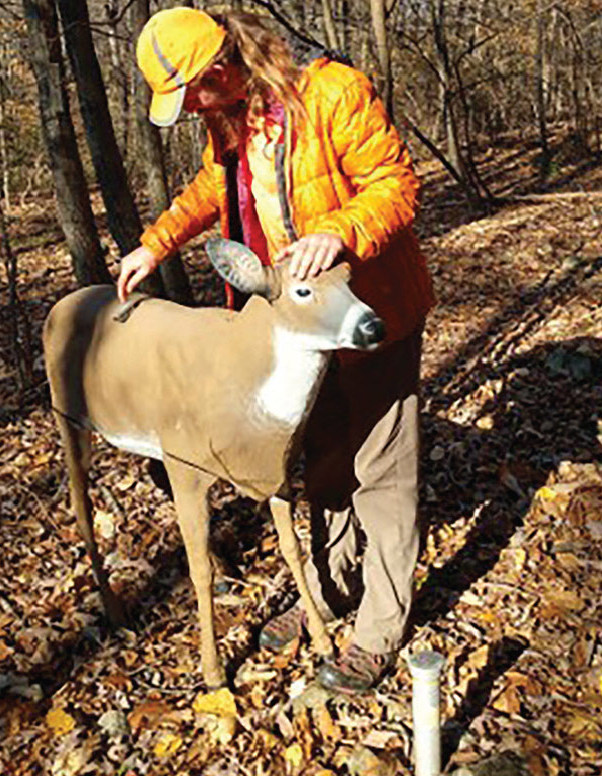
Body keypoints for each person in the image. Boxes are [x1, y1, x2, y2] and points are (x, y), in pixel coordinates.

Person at [120, 7, 435, 693]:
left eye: (193, 92)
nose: (194, 107)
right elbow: (214, 185)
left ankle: (379, 628)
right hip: (291, 335)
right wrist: (157, 241)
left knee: (382, 471)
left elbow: (396, 185)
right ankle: (328, 589)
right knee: (323, 464)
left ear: (222, 67)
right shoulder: (228, 115)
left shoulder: (333, 92)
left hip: (367, 311)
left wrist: (341, 232)